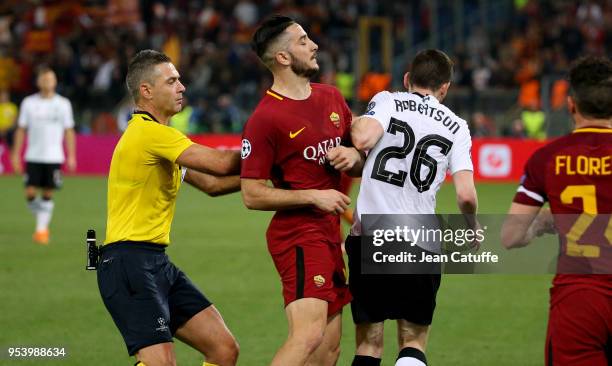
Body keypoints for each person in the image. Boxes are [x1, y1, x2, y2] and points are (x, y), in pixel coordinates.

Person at [98, 50, 241, 366]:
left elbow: (213, 186)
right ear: (146, 91)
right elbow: (221, 164)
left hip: (155, 263)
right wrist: (271, 147)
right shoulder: (150, 134)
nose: (182, 87)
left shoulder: (159, 142)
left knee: (223, 349)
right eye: (172, 81)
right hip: (127, 262)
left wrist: (270, 177)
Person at [240, 15, 364, 366]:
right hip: (298, 234)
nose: (314, 45)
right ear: (282, 57)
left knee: (328, 351)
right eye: (303, 40)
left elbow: (361, 160)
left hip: (329, 232)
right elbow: (251, 193)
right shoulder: (265, 118)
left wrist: (354, 154)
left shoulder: (331, 97)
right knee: (307, 336)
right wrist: (313, 195)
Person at [346, 49, 477, 366]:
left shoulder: (388, 100)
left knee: (368, 344)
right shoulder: (457, 126)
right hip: (420, 240)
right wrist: (471, 230)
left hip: (370, 236)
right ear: (444, 88)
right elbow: (467, 196)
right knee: (414, 340)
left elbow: (362, 139)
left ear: (407, 79)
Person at [502, 56, 612, 366]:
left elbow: (511, 236)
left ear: (571, 104)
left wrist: (545, 222)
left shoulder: (547, 158)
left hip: (580, 299)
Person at [11, 67, 76, 245]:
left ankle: (41, 230)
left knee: (47, 193)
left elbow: (69, 131)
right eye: (44, 79)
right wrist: (16, 154)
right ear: (39, 82)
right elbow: (21, 129)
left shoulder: (63, 104)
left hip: (54, 156)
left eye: (50, 79)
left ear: (55, 82)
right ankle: (42, 220)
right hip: (33, 155)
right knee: (30, 192)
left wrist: (71, 155)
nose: (47, 82)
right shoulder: (28, 103)